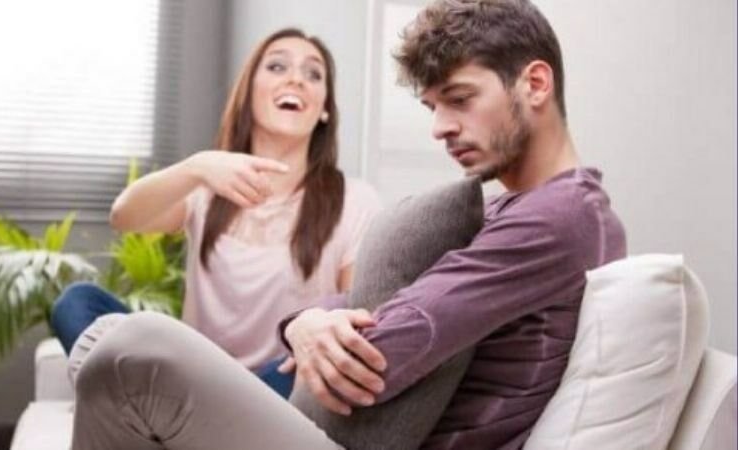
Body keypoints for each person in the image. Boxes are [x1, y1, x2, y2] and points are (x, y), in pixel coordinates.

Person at [68, 1, 627, 449]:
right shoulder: (513, 208)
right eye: (432, 106)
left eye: (459, 99)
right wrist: (306, 321)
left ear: (535, 84)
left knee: (131, 348)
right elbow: (368, 304)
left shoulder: (561, 217)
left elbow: (385, 348)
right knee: (99, 332)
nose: (439, 127)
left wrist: (310, 327)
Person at [50, 28, 380, 399]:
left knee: (302, 367)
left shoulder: (355, 200)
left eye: (313, 74)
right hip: (192, 379)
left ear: (324, 109)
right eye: (277, 66)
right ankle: (170, 414)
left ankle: (156, 416)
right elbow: (124, 216)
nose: (295, 79)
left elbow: (356, 313)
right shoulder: (206, 187)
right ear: (248, 93)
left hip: (274, 391)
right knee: (77, 302)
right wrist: (197, 167)